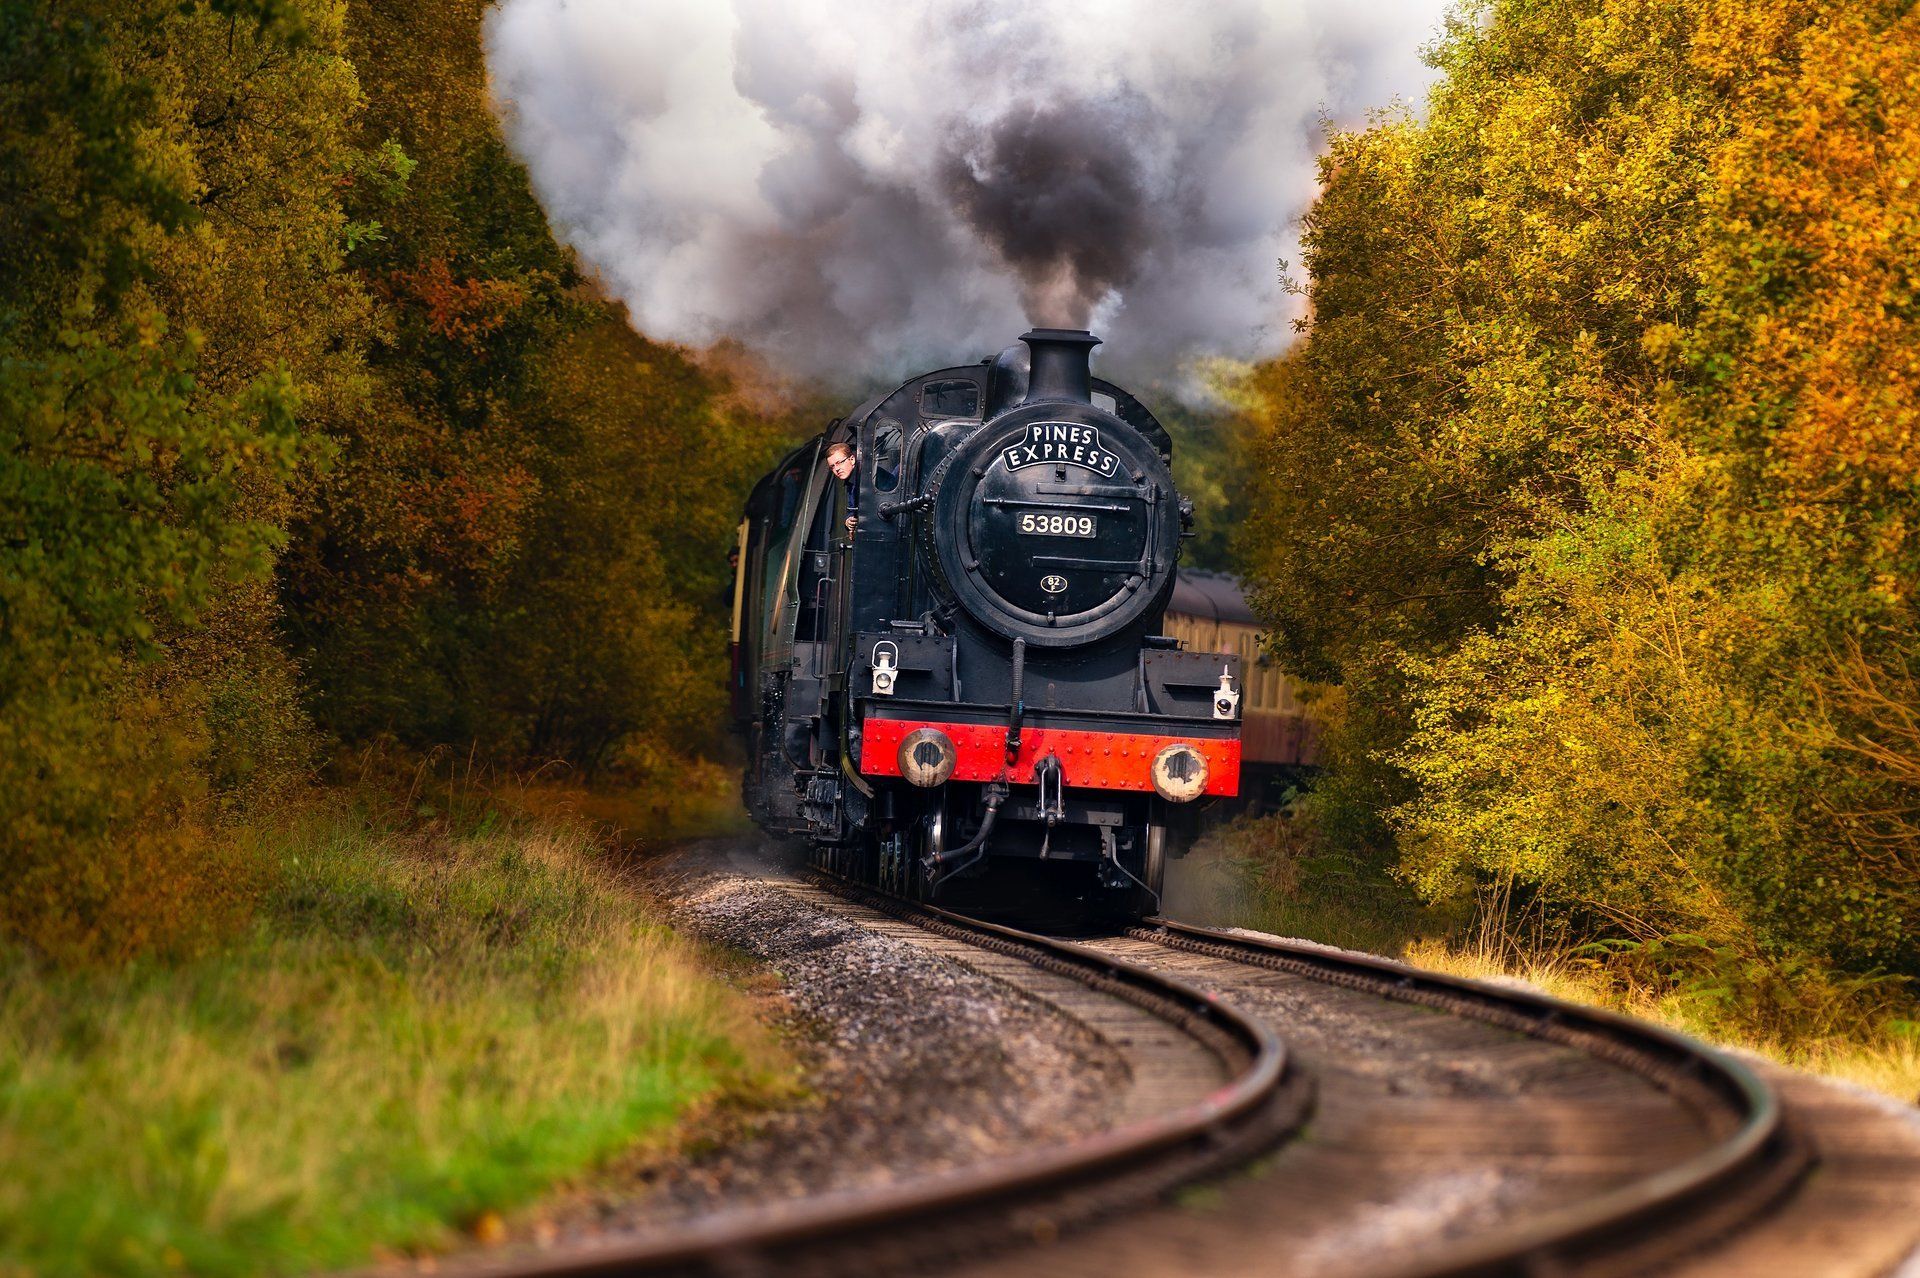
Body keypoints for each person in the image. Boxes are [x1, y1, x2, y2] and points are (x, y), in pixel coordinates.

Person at [827, 440, 858, 535]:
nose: (836, 469)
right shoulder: (850, 482)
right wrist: (848, 521)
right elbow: (851, 510)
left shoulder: (869, 477)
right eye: (832, 466)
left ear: (852, 459)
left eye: (839, 462)